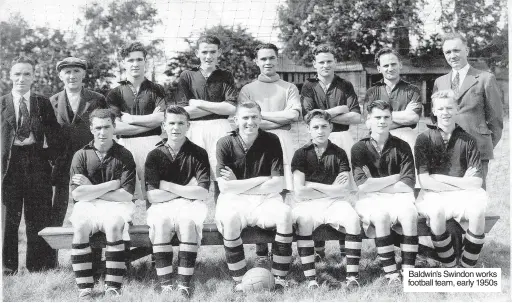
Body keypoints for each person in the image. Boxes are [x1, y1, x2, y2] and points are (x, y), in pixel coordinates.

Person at [215, 101, 293, 290]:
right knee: (231, 219)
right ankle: (240, 281)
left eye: (254, 117)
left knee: (284, 214)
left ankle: (279, 278)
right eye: (245, 117)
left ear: (260, 118)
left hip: (265, 199)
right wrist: (262, 179)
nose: (250, 122)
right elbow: (225, 187)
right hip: (233, 200)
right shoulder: (224, 143)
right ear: (236, 120)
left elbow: (277, 183)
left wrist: (238, 184)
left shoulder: (272, 140)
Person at [238, 43, 301, 263]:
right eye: (263, 59)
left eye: (272, 58)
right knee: (260, 190)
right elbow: (247, 120)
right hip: (256, 143)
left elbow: (293, 115)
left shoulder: (289, 87)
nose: (268, 62)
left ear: (278, 60)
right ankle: (261, 251)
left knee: (284, 190)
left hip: (283, 141)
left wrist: (263, 118)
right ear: (257, 62)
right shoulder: (247, 89)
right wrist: (274, 118)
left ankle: (280, 248)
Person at [300, 44, 362, 260]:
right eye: (321, 62)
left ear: (335, 63)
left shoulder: (345, 85)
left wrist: (324, 115)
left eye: (329, 61)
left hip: (342, 140)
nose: (325, 65)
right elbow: (309, 118)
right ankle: (318, 252)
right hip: (317, 140)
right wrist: (339, 110)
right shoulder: (308, 86)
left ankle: (346, 250)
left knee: (343, 192)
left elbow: (356, 117)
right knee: (317, 191)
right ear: (314, 64)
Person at [415, 90, 488, 268]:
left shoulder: (468, 140)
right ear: (433, 110)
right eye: (440, 108)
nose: (445, 112)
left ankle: (466, 266)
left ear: (456, 109)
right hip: (433, 194)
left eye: (449, 107)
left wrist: (439, 177)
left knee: (478, 211)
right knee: (437, 212)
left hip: (462, 194)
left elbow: (477, 182)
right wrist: (462, 184)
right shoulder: (424, 139)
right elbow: (425, 181)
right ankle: (449, 265)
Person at [1, 56, 61, 273]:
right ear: (9, 76)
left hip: (36, 162)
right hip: (9, 165)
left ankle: (38, 265)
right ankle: (7, 267)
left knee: (37, 215)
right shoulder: (1, 103)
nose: (21, 79)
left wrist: (49, 160)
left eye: (27, 74)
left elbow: (54, 136)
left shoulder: (42, 103)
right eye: (17, 74)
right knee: (9, 218)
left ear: (33, 76)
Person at [68, 108, 136, 299]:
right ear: (91, 129)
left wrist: (92, 189)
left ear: (114, 127)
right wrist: (110, 185)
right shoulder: (80, 155)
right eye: (98, 128)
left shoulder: (125, 155)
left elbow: (126, 195)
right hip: (88, 205)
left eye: (107, 127)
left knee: (114, 225)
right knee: (80, 225)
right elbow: (78, 194)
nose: (102, 132)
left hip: (117, 206)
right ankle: (85, 288)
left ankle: (113, 286)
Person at [291, 109, 361, 290]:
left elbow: (343, 189)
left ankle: (352, 277)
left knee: (353, 220)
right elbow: (299, 191)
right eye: (316, 127)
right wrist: (331, 189)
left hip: (335, 203)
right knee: (304, 221)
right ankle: (311, 280)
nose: (320, 131)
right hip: (307, 203)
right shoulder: (300, 153)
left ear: (331, 128)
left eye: (324, 126)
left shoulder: (340, 153)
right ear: (308, 129)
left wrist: (312, 185)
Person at [145, 106, 210, 298]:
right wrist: (185, 190)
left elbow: (202, 193)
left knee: (188, 223)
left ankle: (183, 285)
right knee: (162, 223)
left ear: (188, 125)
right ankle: (166, 284)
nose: (176, 127)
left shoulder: (198, 153)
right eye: (171, 123)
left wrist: (168, 186)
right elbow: (152, 196)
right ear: (164, 125)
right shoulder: (154, 155)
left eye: (181, 123)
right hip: (162, 205)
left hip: (191, 205)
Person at [351, 99, 418, 284]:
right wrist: (396, 177)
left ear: (391, 119)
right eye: (377, 117)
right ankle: (392, 274)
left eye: (386, 117)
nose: (382, 121)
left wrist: (376, 183)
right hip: (369, 198)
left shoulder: (402, 146)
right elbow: (363, 186)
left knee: (410, 214)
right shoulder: (359, 148)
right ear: (369, 120)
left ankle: (408, 271)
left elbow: (408, 184)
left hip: (399, 195)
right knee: (380, 217)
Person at [49, 57, 107, 265]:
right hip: (62, 164)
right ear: (60, 75)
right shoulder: (53, 101)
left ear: (83, 74)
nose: (72, 76)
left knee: (91, 207)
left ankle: (96, 260)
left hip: (89, 162)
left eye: (76, 71)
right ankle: (51, 260)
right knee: (57, 210)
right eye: (67, 72)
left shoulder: (97, 99)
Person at [433, 32, 503, 190]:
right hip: (447, 151)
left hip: (477, 151)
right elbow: (435, 118)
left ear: (467, 50)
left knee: (475, 200)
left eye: (457, 50)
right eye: (448, 52)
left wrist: (484, 146)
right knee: (450, 200)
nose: (453, 55)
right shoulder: (440, 82)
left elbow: (496, 121)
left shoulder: (485, 78)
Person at [175, 35, 238, 202]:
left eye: (212, 52)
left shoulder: (226, 75)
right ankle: (194, 221)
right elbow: (183, 111)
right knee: (194, 178)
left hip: (221, 128)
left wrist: (199, 103)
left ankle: (222, 218)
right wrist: (218, 107)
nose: (208, 56)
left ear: (219, 53)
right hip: (194, 129)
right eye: (204, 52)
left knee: (222, 176)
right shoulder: (187, 76)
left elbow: (231, 108)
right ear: (197, 53)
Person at [106, 42, 167, 204]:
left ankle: (156, 229)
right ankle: (126, 228)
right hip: (125, 145)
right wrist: (150, 122)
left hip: (154, 144)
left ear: (145, 62)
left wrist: (132, 119)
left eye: (139, 60)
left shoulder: (157, 89)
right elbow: (116, 127)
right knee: (125, 194)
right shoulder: (115, 93)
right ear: (124, 63)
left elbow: (161, 118)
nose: (135, 64)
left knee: (155, 193)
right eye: (131, 60)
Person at [364, 48, 422, 152]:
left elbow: (413, 118)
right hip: (379, 138)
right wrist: (404, 115)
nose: (390, 68)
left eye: (393, 64)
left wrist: (379, 117)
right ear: (379, 69)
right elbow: (369, 124)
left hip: (406, 136)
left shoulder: (413, 90)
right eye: (386, 65)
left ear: (400, 65)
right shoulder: (372, 92)